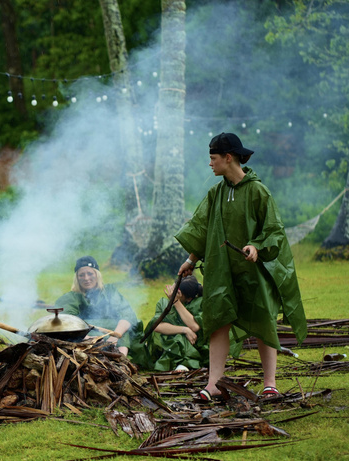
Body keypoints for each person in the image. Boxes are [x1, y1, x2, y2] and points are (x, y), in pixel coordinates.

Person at [175, 132, 307, 401]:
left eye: (213, 158)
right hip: (222, 271)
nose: (210, 164)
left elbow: (274, 230)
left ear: (228, 157)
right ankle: (213, 384)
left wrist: (256, 246)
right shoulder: (216, 193)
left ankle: (269, 383)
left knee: (262, 320)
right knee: (219, 322)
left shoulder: (258, 191)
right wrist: (190, 260)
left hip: (253, 272)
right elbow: (201, 229)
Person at [54, 256, 143, 356]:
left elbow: (127, 314)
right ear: (77, 278)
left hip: (111, 333)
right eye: (81, 275)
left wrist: (115, 336)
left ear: (97, 275)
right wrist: (86, 338)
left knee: (122, 330)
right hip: (84, 334)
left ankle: (121, 361)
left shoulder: (109, 291)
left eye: (90, 273)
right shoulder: (72, 297)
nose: (86, 278)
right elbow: (65, 319)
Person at [142, 275, 208, 372]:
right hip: (167, 343)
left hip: (193, 345)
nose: (171, 293)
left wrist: (176, 302)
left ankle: (185, 362)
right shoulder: (164, 303)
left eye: (176, 292)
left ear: (189, 298)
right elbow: (156, 326)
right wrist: (184, 330)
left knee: (180, 339)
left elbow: (195, 326)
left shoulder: (199, 304)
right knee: (173, 336)